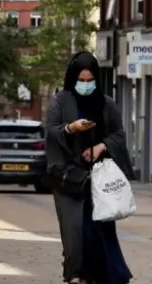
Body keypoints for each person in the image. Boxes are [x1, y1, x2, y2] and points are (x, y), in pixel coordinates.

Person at [45, 51, 134, 284]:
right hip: (68, 179)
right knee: (73, 234)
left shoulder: (106, 104)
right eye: (81, 80)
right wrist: (71, 128)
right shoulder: (61, 101)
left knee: (98, 235)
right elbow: (51, 131)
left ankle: (94, 277)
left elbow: (119, 135)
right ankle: (75, 273)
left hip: (98, 181)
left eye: (89, 80)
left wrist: (101, 146)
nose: (86, 85)